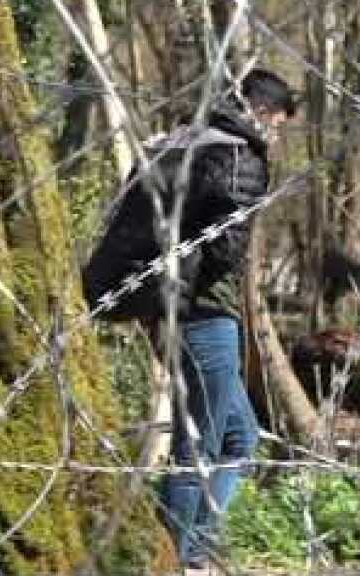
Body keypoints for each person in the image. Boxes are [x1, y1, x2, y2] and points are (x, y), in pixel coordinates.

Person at [83, 69, 297, 572]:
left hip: (161, 306)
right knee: (198, 442)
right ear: (262, 111)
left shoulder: (178, 141)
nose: (277, 135)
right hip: (203, 313)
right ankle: (175, 559)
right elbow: (224, 247)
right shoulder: (238, 155)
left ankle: (192, 550)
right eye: (279, 124)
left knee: (237, 435)